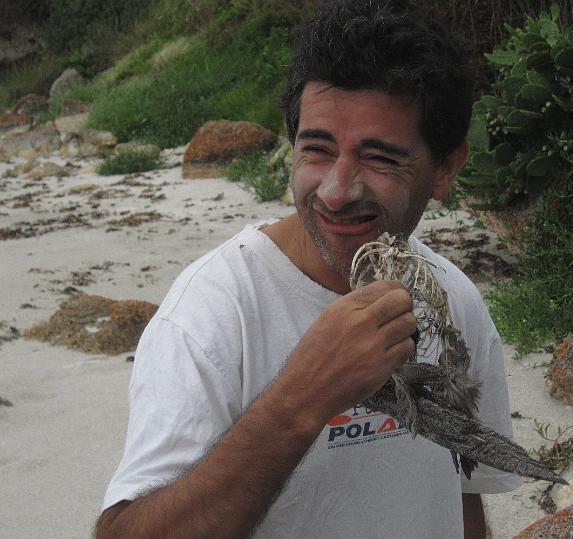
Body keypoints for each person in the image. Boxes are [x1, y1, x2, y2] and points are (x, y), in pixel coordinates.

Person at [95, 1, 521, 537]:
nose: (337, 191)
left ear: (445, 168)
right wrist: (303, 397)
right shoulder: (214, 312)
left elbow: (459, 495)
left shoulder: (451, 297)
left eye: (380, 157)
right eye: (317, 149)